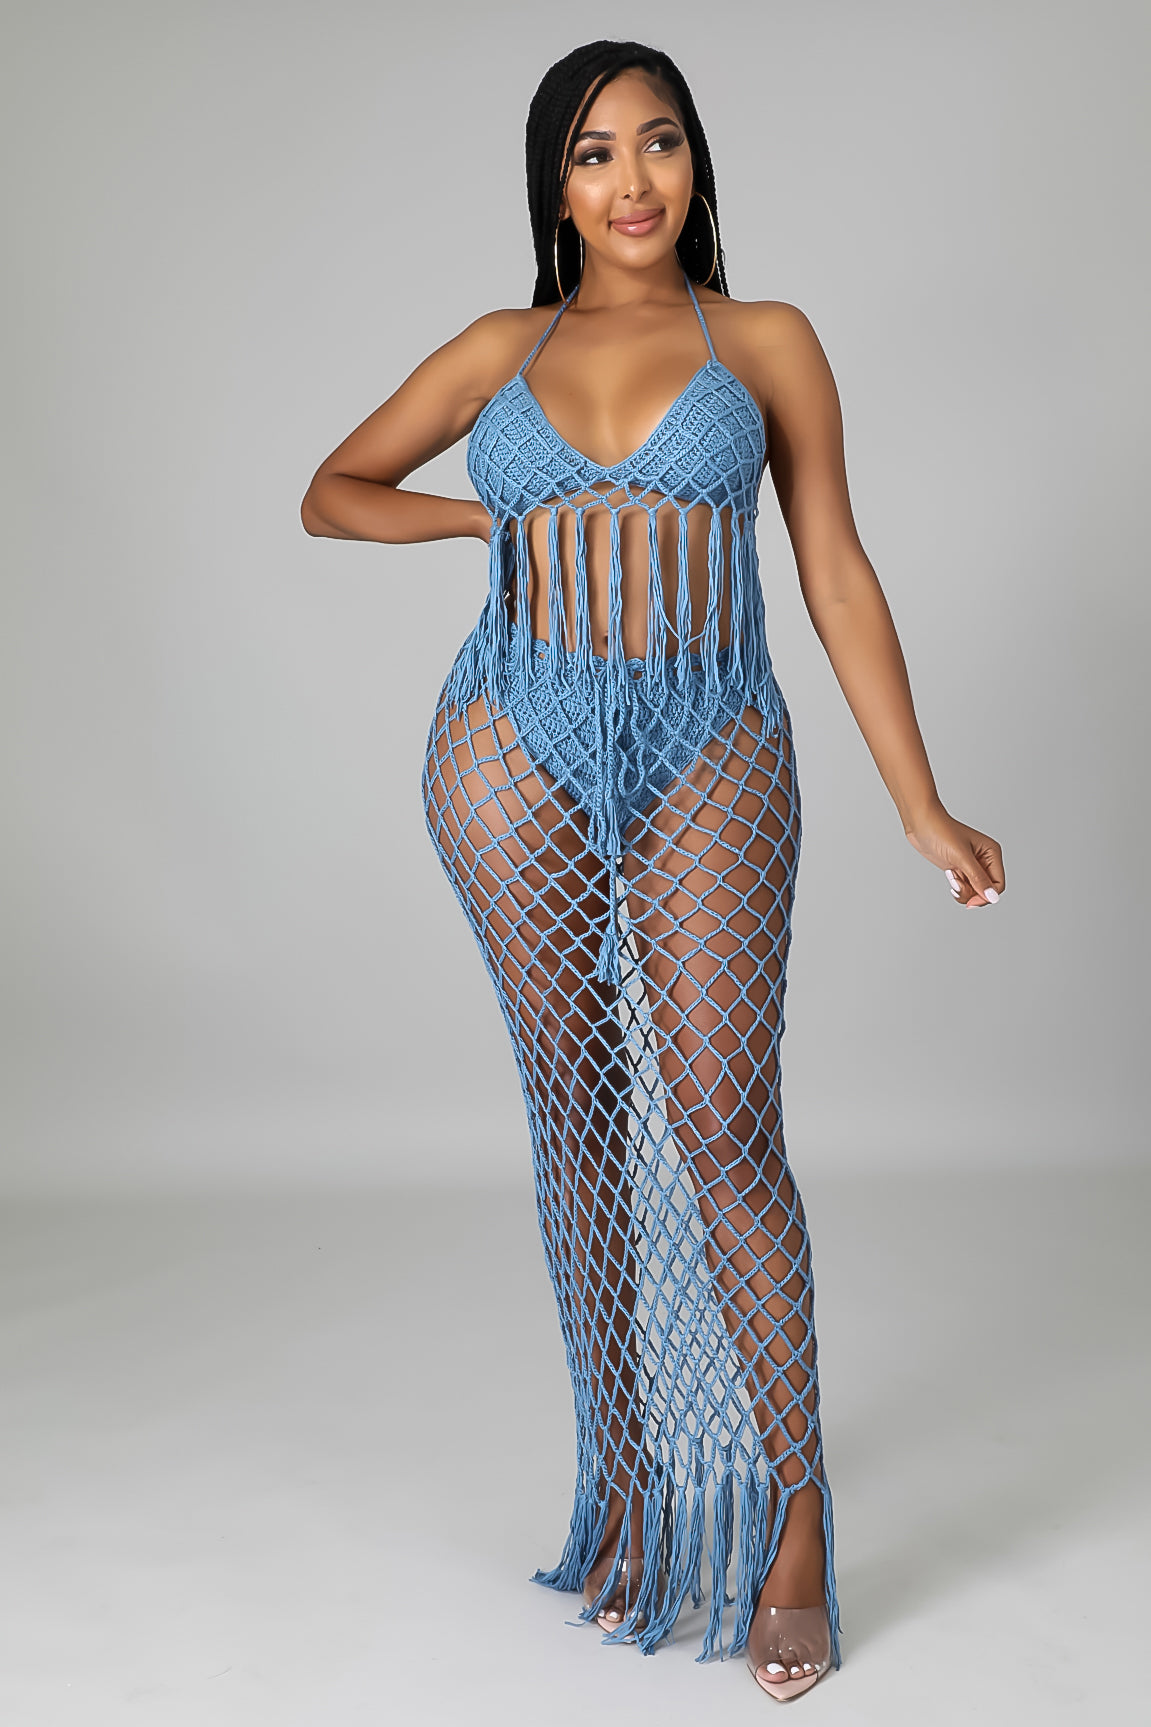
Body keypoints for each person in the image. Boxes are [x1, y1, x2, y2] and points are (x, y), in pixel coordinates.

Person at [301, 37, 1005, 1704]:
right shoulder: (501, 347)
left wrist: (920, 801)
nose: (633, 180)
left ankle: (797, 1516)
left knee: (722, 1119)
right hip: (509, 745)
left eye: (660, 142)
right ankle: (622, 1479)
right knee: (579, 1120)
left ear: (697, 164)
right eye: (596, 152)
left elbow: (834, 571)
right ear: (556, 186)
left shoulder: (763, 342)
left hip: (710, 740)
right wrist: (485, 525)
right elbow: (331, 495)